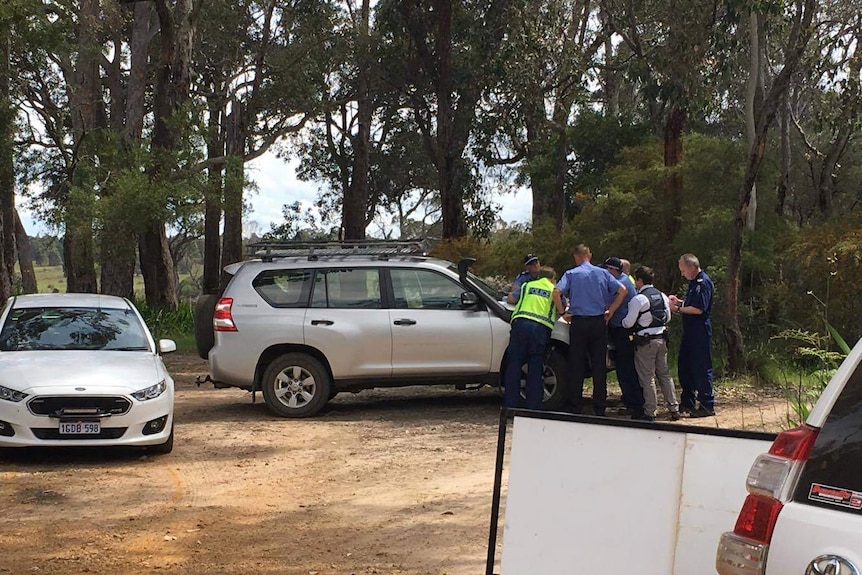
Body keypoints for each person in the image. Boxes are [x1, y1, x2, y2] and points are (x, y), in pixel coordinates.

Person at [553, 245, 627, 416]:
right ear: (590, 255)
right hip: (598, 322)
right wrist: (612, 310)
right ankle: (599, 406)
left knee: (576, 364)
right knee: (599, 365)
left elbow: (556, 292)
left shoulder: (571, 274)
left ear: (576, 257)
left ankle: (575, 405)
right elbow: (621, 290)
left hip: (578, 322)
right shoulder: (602, 273)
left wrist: (563, 313)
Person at [622, 266, 681, 421]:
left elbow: (628, 323)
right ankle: (674, 408)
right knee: (664, 374)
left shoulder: (639, 299)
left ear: (639, 280)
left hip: (645, 342)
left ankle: (650, 411)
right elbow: (667, 317)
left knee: (647, 378)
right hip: (662, 339)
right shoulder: (662, 296)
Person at [503, 266, 558, 410]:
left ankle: (510, 406)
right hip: (539, 328)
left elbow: (511, 298)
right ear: (553, 278)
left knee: (514, 365)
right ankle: (533, 407)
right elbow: (562, 306)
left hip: (520, 324)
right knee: (535, 365)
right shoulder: (554, 289)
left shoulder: (527, 285)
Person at [669, 253, 715, 418]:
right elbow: (691, 303)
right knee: (685, 366)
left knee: (701, 368)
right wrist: (679, 302)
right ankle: (688, 401)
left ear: (691, 267)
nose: (682, 274)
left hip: (699, 331)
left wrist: (678, 310)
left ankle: (706, 405)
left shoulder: (703, 283)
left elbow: (699, 309)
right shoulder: (693, 283)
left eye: (683, 270)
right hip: (689, 331)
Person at [601, 256, 644, 415]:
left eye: (607, 269)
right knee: (624, 366)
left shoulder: (621, 283)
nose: (605, 272)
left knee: (626, 367)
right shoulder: (622, 280)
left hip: (624, 330)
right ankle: (631, 401)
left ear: (613, 270)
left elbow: (607, 303)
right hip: (621, 328)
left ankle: (635, 404)